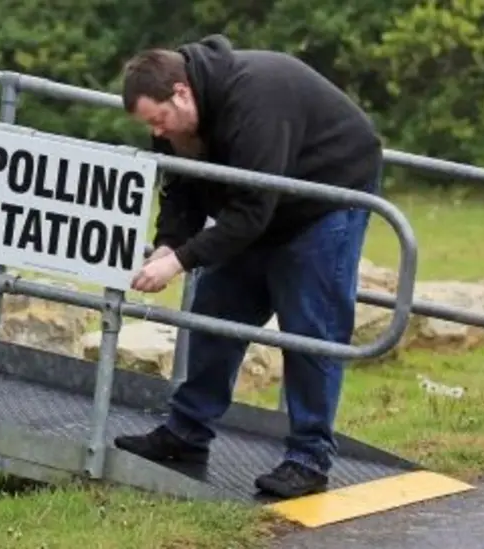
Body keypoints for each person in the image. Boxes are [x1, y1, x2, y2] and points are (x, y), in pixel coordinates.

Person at [113, 34, 383, 499]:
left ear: (181, 92)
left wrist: (180, 261)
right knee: (214, 309)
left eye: (158, 121)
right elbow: (182, 184)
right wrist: (169, 242)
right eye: (150, 127)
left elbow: (252, 208)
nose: (157, 133)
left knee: (309, 330)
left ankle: (308, 458)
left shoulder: (256, 100)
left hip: (324, 201)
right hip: (261, 209)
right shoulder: (176, 121)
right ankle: (186, 433)